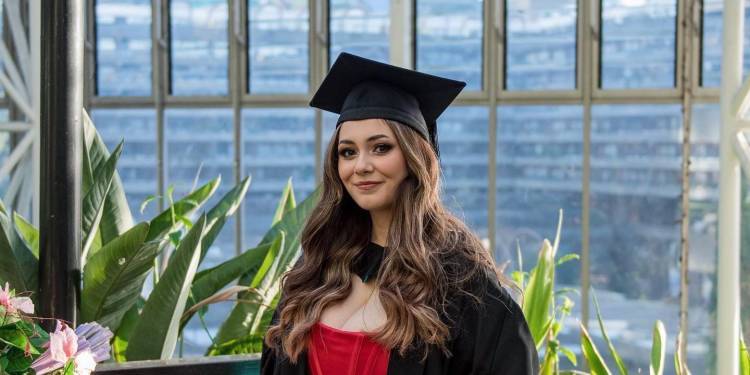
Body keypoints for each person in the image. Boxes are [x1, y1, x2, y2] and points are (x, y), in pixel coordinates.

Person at [261, 52, 539, 375]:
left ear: (413, 158)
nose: (361, 166)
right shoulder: (317, 266)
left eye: (381, 147)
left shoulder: (458, 283)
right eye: (348, 152)